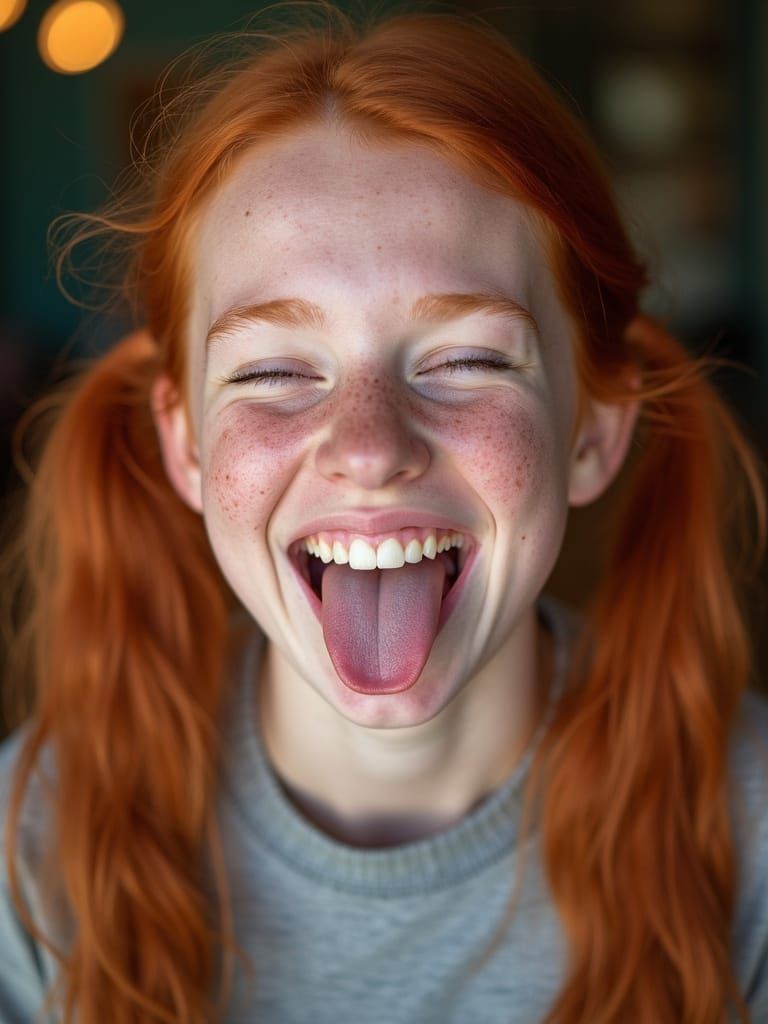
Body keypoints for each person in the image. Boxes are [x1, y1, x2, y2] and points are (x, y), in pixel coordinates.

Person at [1, 6, 766, 1023]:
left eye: (467, 359)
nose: (368, 449)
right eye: (272, 371)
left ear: (592, 429)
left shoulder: (753, 838)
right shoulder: (27, 847)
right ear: (185, 446)